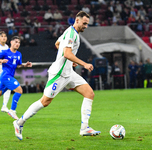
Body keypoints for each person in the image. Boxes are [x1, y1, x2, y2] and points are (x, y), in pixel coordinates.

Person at [13, 11, 101, 140]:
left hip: (68, 73)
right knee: (45, 101)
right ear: (77, 20)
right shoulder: (71, 33)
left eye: (87, 24)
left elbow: (57, 44)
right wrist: (83, 63)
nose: (86, 26)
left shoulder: (70, 32)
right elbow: (66, 53)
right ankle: (19, 122)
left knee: (89, 94)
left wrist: (71, 61)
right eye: (84, 23)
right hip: (58, 74)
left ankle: (85, 128)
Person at [0, 36, 32, 120]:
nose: (17, 44)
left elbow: (18, 65)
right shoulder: (5, 52)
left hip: (9, 77)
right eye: (15, 42)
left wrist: (24, 65)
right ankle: (12, 110)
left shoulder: (19, 54)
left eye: (19, 42)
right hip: (5, 76)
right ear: (11, 42)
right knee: (19, 90)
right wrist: (1, 61)